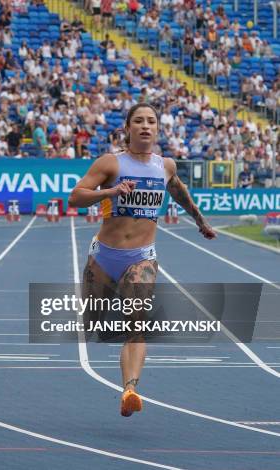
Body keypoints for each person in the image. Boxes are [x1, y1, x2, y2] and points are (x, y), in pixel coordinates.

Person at [68, 103, 216, 417]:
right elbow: (76, 196)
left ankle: (130, 389)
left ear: (157, 129)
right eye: (139, 121)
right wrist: (110, 193)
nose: (145, 126)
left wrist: (200, 221)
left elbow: (179, 193)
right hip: (105, 257)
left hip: (142, 258)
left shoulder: (166, 166)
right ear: (129, 128)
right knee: (93, 322)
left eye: (151, 121)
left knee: (136, 326)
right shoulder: (111, 163)